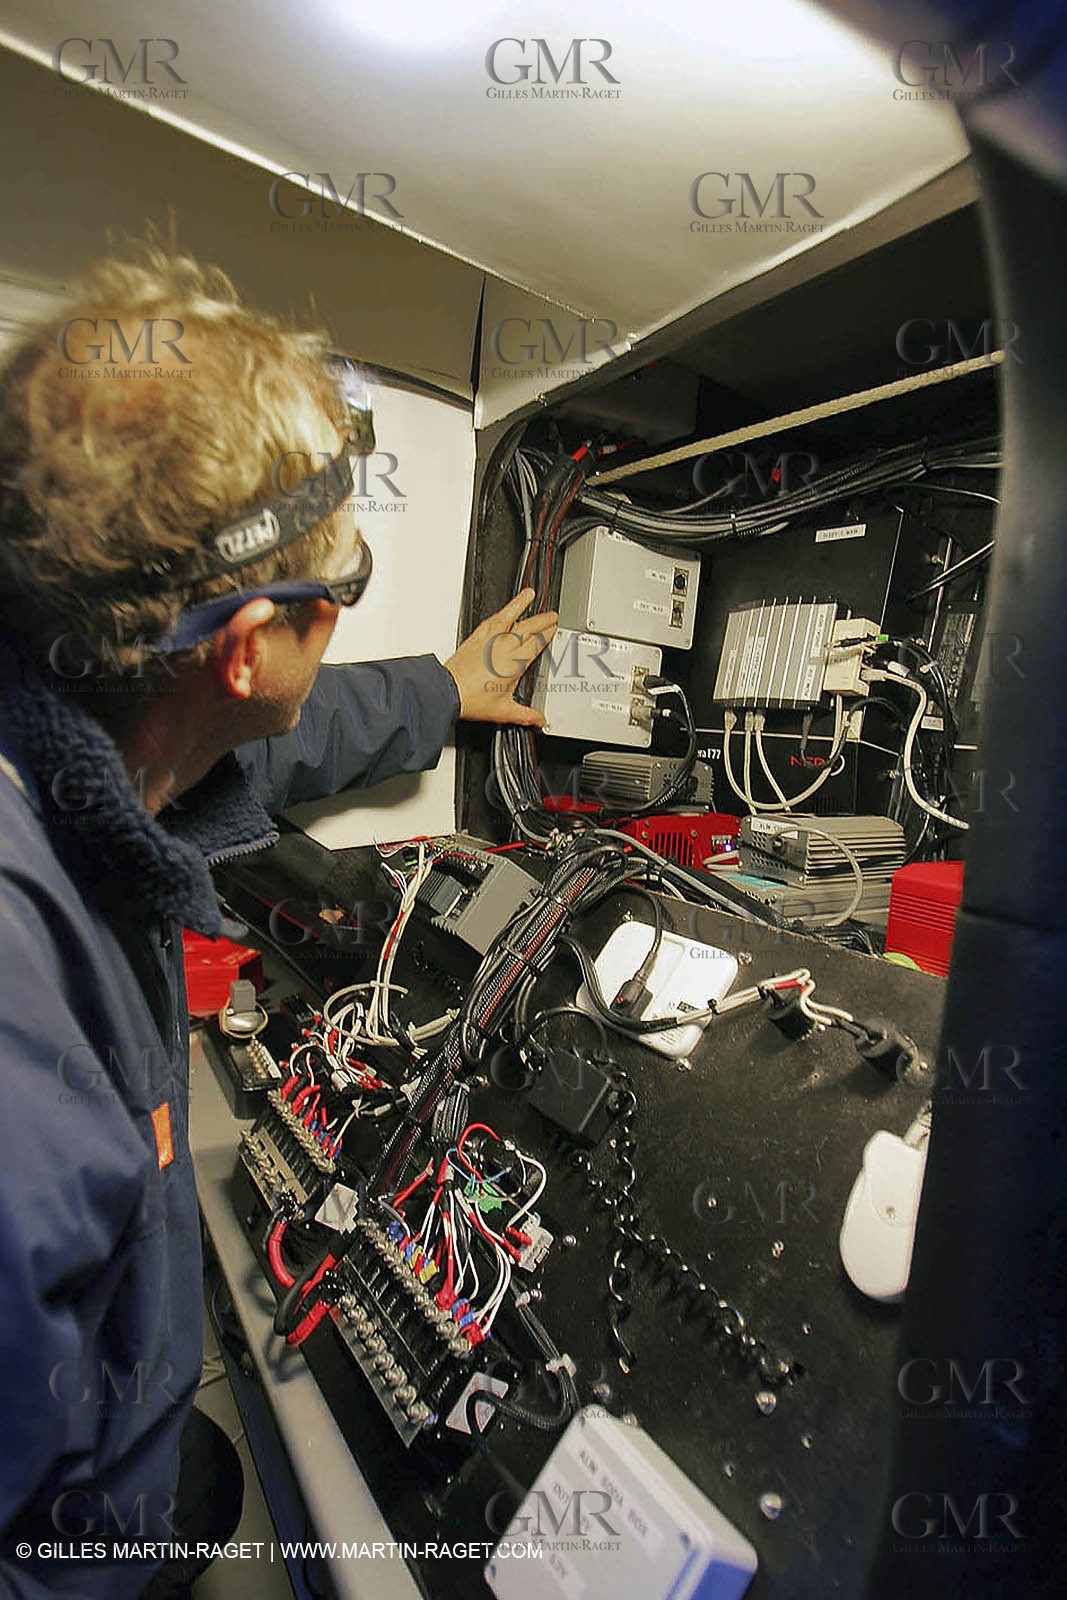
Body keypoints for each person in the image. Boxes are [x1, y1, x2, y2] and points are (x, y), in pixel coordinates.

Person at [0, 248, 557, 1598]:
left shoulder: (83, 722)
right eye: (340, 591)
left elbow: (237, 752)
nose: (342, 613)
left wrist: (438, 686)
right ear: (249, 645)